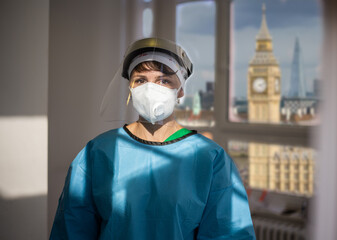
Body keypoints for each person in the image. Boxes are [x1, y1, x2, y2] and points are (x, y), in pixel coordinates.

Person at [50, 38, 256, 240]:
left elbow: (229, 233)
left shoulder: (210, 158)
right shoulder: (98, 153)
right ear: (130, 88)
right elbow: (71, 229)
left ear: (180, 90)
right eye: (140, 80)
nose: (150, 89)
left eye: (164, 80)